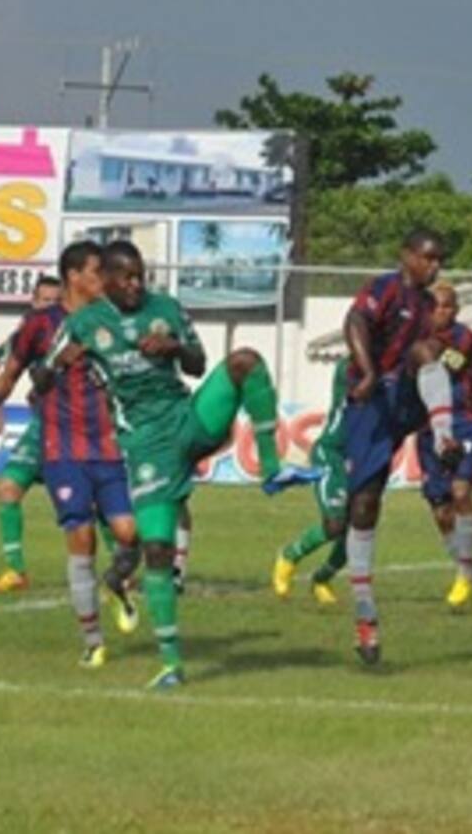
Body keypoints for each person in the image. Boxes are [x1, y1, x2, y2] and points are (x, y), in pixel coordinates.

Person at [43, 240, 318, 688]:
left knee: (245, 362)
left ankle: (273, 469)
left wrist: (172, 346)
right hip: (147, 445)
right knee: (156, 549)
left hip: (188, 420)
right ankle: (171, 664)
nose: (136, 284)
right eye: (126, 277)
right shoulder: (83, 324)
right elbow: (40, 377)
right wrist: (59, 362)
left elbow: (198, 363)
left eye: (140, 276)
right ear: (106, 280)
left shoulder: (166, 308)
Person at [0, 243, 140, 667]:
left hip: (108, 444)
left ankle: (117, 583)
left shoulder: (113, 318)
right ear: (74, 276)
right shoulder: (41, 324)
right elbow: (15, 367)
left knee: (129, 533)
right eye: (96, 272)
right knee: (81, 538)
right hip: (62, 448)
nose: (104, 280)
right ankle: (93, 641)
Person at [342, 229, 461, 665]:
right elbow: (354, 322)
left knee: (427, 352)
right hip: (371, 400)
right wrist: (368, 371)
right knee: (361, 506)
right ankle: (365, 613)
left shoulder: (428, 306)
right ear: (406, 255)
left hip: (404, 396)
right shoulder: (385, 288)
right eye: (428, 258)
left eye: (439, 259)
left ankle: (444, 436)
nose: (435, 266)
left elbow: (432, 355)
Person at [416, 282, 472, 613]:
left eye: (447, 306)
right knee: (441, 512)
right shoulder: (414, 336)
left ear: (456, 310)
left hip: (463, 422)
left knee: (461, 492)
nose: (441, 312)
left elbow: (442, 364)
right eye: (435, 306)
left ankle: (463, 575)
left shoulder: (464, 338)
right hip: (427, 430)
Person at [0, 275, 62, 593]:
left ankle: (124, 572)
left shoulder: (75, 329)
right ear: (33, 302)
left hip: (76, 427)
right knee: (8, 488)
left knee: (94, 505)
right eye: (44, 300)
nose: (49, 306)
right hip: (42, 426)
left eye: (56, 301)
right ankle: (15, 571)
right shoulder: (27, 333)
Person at [271, 356, 352, 606]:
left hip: (364, 459)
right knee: (335, 523)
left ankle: (322, 579)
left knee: (360, 530)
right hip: (332, 453)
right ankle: (290, 555)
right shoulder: (351, 366)